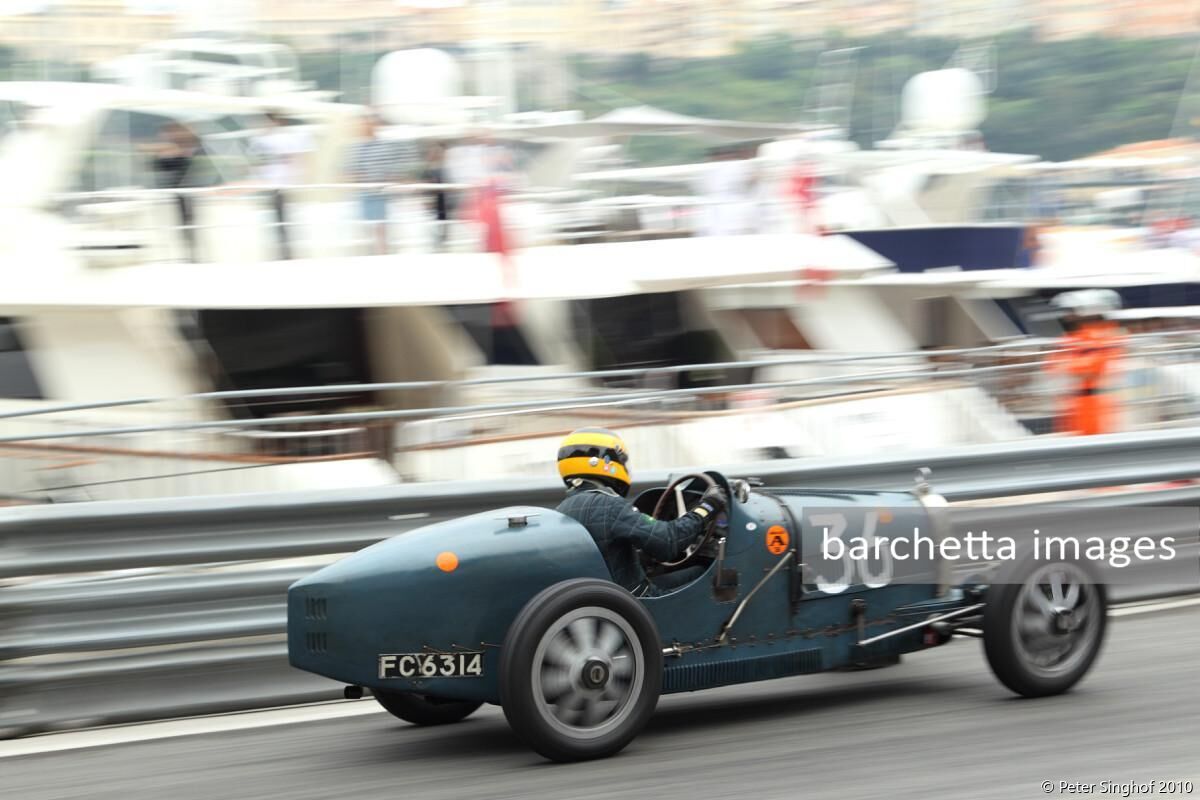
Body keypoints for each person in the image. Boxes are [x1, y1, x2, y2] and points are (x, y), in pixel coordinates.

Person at [555, 427, 727, 596]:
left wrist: (641, 556)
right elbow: (669, 541)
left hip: (608, 600)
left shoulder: (562, 511)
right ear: (605, 461)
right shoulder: (609, 505)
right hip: (638, 601)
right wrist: (707, 507)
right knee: (702, 571)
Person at [1047, 290, 1125, 436]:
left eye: (1071, 312)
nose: (1067, 317)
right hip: (1076, 400)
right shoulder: (1074, 338)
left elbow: (1087, 369)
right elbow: (1054, 365)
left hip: (1094, 400)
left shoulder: (1104, 337)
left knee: (1094, 440)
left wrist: (1070, 366)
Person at [345, 111, 419, 255]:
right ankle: (368, 256)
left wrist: (395, 180)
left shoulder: (385, 145)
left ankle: (381, 255)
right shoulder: (355, 147)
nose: (365, 127)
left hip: (381, 193)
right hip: (364, 193)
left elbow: (393, 168)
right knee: (364, 231)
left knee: (381, 230)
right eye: (363, 125)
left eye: (368, 124)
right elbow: (350, 171)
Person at [250, 111, 312, 260]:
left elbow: (295, 159)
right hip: (272, 185)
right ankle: (283, 250)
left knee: (284, 218)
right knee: (279, 218)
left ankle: (286, 251)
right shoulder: (263, 139)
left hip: (282, 185)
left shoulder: (280, 138)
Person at [148, 121, 209, 262]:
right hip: (175, 194)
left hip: (192, 193)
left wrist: (178, 154)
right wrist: (164, 155)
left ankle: (194, 256)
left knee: (192, 225)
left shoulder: (195, 147)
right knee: (180, 226)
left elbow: (194, 165)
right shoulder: (171, 150)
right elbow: (160, 167)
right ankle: (187, 255)